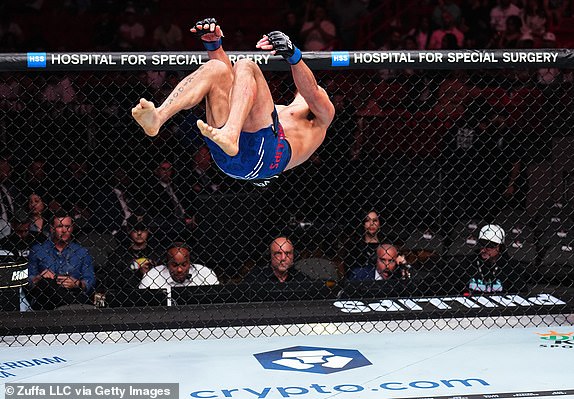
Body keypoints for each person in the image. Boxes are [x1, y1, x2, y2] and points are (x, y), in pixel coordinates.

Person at [132, 18, 335, 184]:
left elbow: (312, 92)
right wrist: (213, 43)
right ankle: (159, 116)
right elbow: (227, 80)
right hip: (227, 156)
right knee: (216, 68)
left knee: (246, 65)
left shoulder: (318, 118)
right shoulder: (269, 110)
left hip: (265, 159)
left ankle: (231, 133)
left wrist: (294, 55)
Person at [26, 210, 96, 310]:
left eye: (67, 227)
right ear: (52, 229)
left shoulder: (82, 252)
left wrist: (77, 283)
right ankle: (76, 306)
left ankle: (71, 304)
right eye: (59, 226)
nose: (64, 230)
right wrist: (39, 278)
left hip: (73, 293)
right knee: (47, 283)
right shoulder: (38, 250)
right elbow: (27, 280)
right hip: (46, 300)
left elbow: (90, 280)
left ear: (72, 228)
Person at [100, 214, 160, 293]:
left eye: (143, 229)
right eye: (135, 229)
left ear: (148, 230)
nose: (139, 233)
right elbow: (111, 281)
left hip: (154, 293)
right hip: (127, 294)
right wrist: (138, 274)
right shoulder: (118, 254)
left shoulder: (157, 253)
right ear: (128, 229)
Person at [460, 224, 526, 294]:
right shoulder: (468, 263)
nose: (484, 249)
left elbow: (520, 295)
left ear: (500, 247)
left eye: (490, 245)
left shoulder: (513, 268)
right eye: (482, 244)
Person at [139, 242, 219, 289]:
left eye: (184, 265)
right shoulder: (151, 277)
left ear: (190, 263)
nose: (179, 270)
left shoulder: (205, 274)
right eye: (174, 265)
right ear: (167, 263)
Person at [243, 236, 311, 283]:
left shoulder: (302, 279)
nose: (283, 258)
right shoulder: (255, 279)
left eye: (287, 253)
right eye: (278, 253)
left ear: (293, 255)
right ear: (271, 255)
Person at [346, 243, 411, 281]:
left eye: (391, 261)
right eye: (383, 260)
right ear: (376, 260)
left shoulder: (400, 276)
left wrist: (404, 266)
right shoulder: (359, 275)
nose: (387, 265)